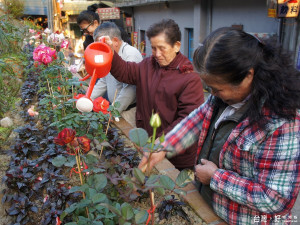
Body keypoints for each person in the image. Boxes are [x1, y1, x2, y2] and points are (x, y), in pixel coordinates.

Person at [138, 27, 300, 224]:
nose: (212, 94)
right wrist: (164, 147)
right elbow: (195, 120)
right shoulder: (222, 100)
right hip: (212, 208)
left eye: (217, 88)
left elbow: (275, 198)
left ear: (248, 76)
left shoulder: (280, 123)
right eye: (209, 88)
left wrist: (216, 178)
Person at [103, 19, 205, 170]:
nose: (157, 54)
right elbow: (126, 72)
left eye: (162, 48)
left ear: (176, 46)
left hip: (175, 155)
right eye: (153, 48)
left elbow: (188, 120)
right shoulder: (148, 64)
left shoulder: (189, 77)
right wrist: (110, 53)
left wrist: (161, 143)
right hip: (148, 144)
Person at [92, 22, 143, 127]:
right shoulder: (109, 54)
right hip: (117, 108)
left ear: (115, 41)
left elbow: (130, 90)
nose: (100, 49)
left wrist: (113, 111)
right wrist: (88, 99)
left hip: (129, 111)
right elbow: (103, 81)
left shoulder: (130, 54)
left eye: (102, 45)